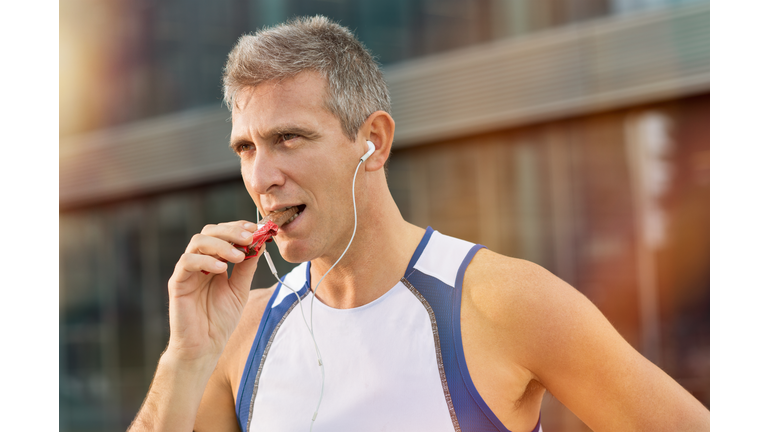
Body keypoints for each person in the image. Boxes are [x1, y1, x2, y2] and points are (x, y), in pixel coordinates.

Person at [128, 15, 709, 432]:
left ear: (372, 142)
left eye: (288, 139)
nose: (262, 176)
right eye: (246, 148)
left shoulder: (503, 301)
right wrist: (186, 356)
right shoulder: (242, 332)